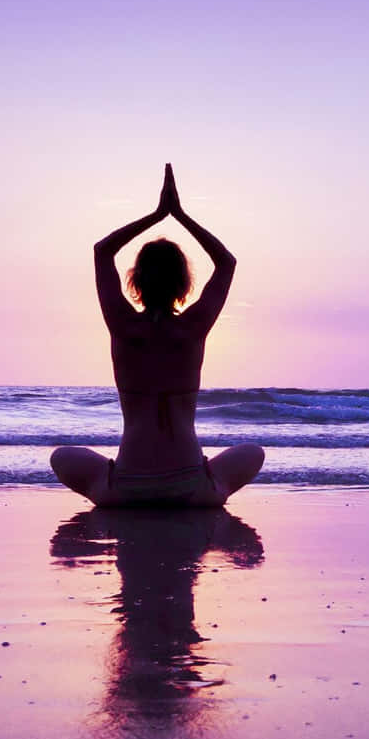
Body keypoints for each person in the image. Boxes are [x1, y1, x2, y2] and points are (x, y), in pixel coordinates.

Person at [50, 164, 264, 507]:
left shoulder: (122, 325)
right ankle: (212, 486)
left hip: (125, 489)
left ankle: (112, 484)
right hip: (192, 488)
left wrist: (156, 215)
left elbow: (102, 250)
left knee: (61, 456)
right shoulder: (192, 328)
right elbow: (226, 262)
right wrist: (179, 215)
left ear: (134, 281)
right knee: (253, 452)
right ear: (184, 283)